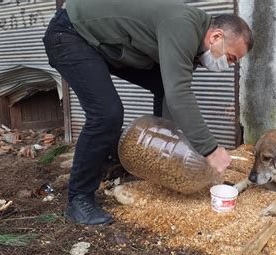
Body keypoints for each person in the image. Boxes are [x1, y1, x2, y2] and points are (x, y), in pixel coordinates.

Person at [43, 0, 254, 225]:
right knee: (106, 114)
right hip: (70, 34)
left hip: (104, 44)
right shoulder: (182, 26)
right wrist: (210, 150)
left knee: (163, 85)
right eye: (231, 57)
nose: (229, 64)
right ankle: (79, 199)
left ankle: (143, 159)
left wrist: (174, 157)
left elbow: (173, 93)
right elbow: (179, 94)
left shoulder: (195, 47)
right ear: (216, 37)